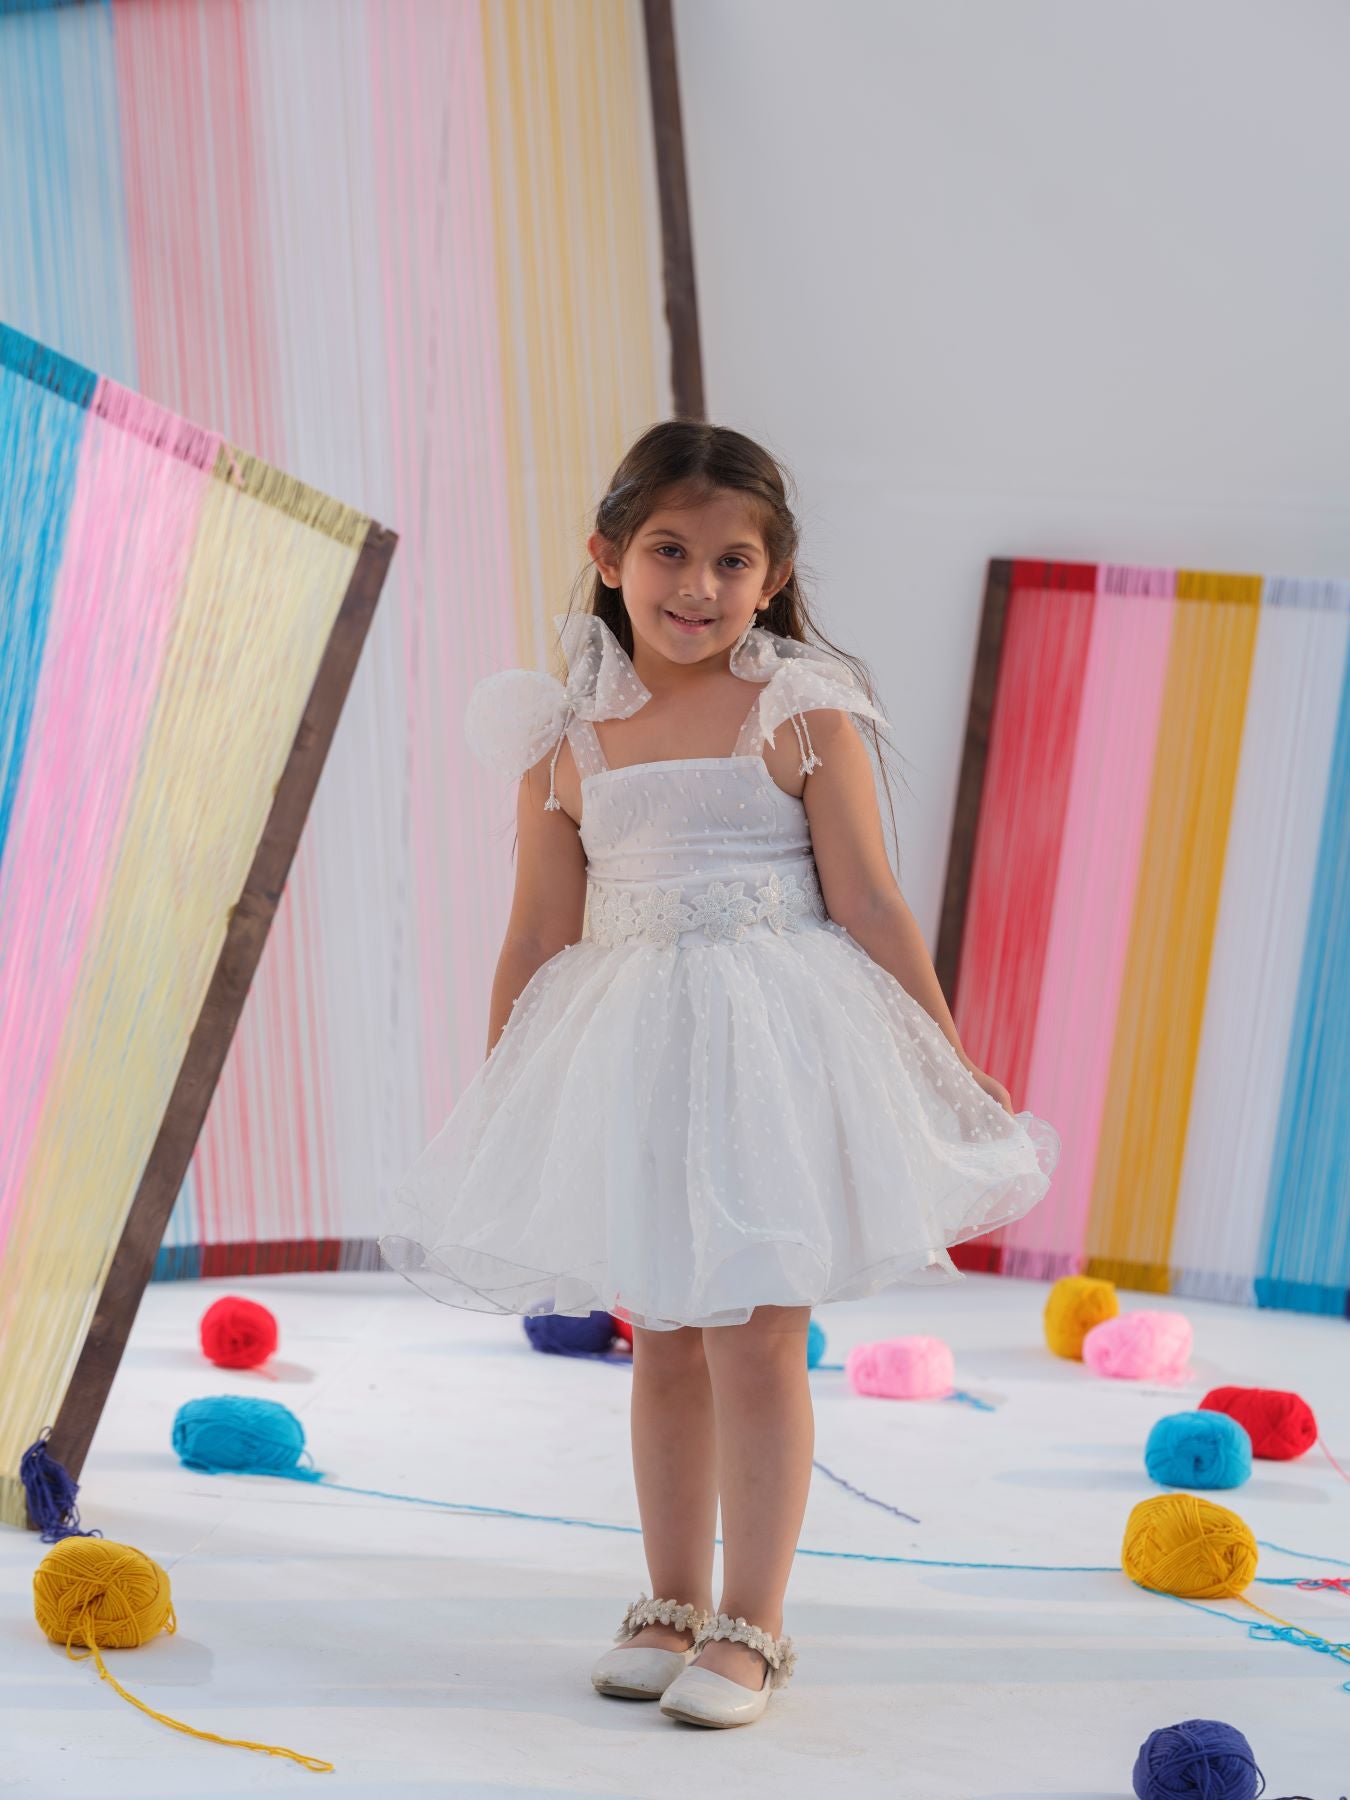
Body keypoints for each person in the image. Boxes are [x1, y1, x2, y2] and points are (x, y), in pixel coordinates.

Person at [380, 420, 1059, 1729]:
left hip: (772, 1058)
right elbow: (537, 932)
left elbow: (868, 901)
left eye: (731, 561)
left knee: (756, 1340)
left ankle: (753, 1621)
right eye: (668, 552)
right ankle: (669, 1597)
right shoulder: (566, 741)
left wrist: (943, 1056)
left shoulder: (797, 713)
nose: (697, 586)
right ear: (608, 557)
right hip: (638, 1059)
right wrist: (507, 1093)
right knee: (668, 1339)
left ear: (773, 575)